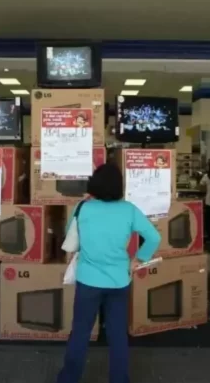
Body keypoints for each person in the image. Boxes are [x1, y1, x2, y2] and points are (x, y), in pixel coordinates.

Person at [57, 163, 161, 383]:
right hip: (119, 281)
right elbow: (154, 237)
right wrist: (138, 259)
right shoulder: (129, 209)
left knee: (80, 333)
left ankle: (68, 379)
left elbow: (70, 238)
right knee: (117, 336)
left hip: (88, 281)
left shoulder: (83, 207)